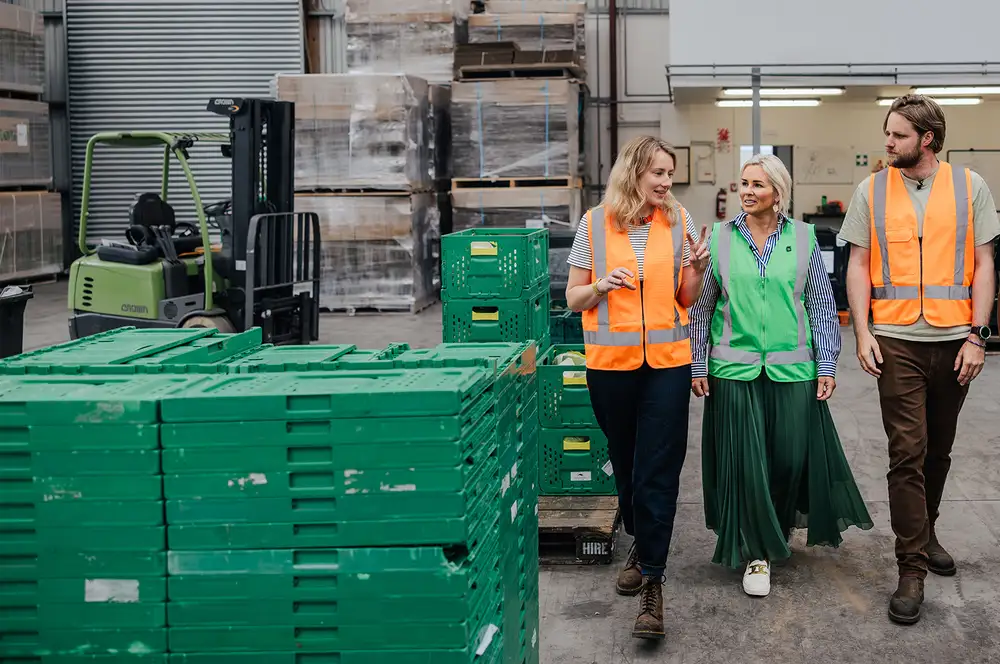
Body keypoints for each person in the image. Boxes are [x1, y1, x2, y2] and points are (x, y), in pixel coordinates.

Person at [840, 94, 999, 625]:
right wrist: (861, 332)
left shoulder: (970, 185)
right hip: (896, 340)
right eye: (886, 133)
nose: (887, 143)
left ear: (926, 138)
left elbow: (982, 263)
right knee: (907, 452)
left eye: (898, 135)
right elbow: (858, 264)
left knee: (939, 450)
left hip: (955, 339)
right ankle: (911, 569)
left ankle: (927, 532)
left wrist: (978, 336)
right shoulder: (872, 189)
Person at [689, 154, 873, 598]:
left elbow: (822, 306)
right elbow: (702, 306)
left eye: (758, 184)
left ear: (778, 193)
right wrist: (698, 363)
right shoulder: (718, 239)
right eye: (743, 183)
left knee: (790, 458)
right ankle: (757, 552)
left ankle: (775, 525)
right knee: (747, 465)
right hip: (733, 370)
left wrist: (827, 364)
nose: (747, 191)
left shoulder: (806, 238)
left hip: (794, 370)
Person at [565, 135, 710, 640]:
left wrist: (697, 268)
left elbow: (686, 297)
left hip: (667, 363)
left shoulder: (679, 220)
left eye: (671, 174)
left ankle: (653, 581)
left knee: (658, 470)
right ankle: (639, 543)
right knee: (626, 466)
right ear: (634, 173)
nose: (668, 183)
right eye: (659, 174)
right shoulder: (593, 223)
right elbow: (573, 297)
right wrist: (602, 286)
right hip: (611, 365)